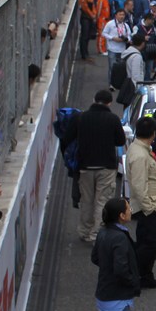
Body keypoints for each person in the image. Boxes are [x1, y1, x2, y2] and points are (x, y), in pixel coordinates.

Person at [66, 89, 126, 243]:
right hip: (106, 165)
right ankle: (97, 233)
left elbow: (68, 137)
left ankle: (84, 231)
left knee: (86, 199)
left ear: (94, 99)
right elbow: (120, 141)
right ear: (109, 103)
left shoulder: (81, 117)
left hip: (85, 165)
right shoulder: (112, 119)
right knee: (102, 200)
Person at [127, 116, 156, 288]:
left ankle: (144, 276)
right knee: (151, 243)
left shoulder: (141, 149)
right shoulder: (140, 155)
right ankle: (138, 275)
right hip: (149, 207)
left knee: (147, 242)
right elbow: (139, 185)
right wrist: (149, 208)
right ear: (153, 133)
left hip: (150, 205)